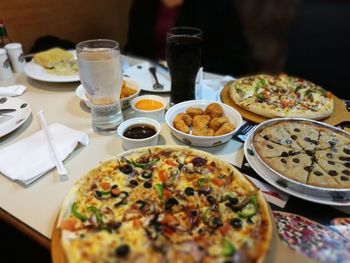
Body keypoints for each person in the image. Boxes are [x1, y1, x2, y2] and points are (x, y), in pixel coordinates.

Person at [124, 0, 251, 77]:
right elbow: (133, 47)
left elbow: (236, 56)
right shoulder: (143, 3)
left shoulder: (216, 3)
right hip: (150, 78)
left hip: (200, 82)